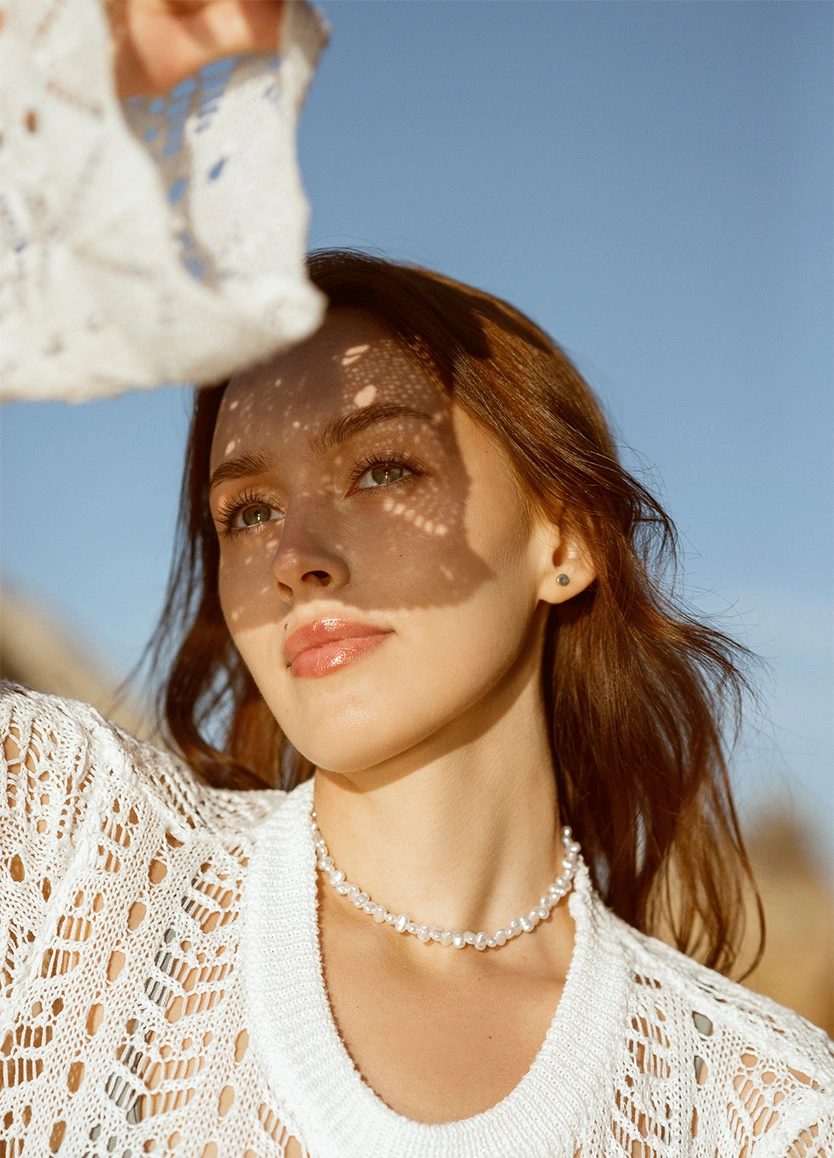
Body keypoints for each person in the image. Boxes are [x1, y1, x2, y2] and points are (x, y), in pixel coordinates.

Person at [2, 250, 833, 1157]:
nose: (293, 558)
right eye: (248, 511)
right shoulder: (60, 852)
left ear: (566, 541)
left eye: (382, 468)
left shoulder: (767, 1109)